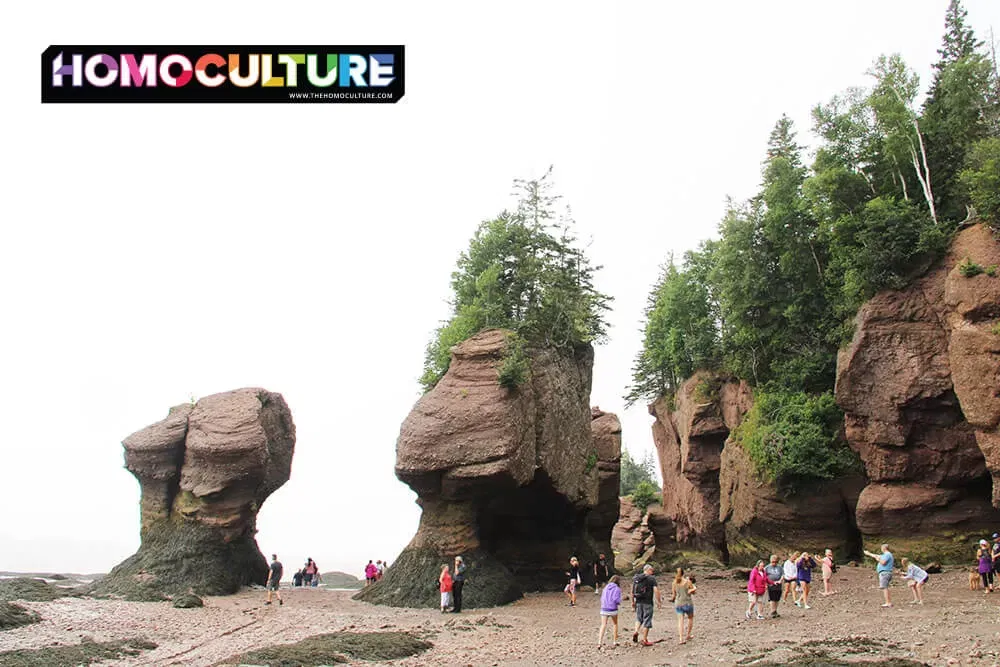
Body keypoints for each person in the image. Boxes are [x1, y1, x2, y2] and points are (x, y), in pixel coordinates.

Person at [631, 563, 662, 647]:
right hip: (648, 602)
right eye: (651, 570)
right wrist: (659, 601)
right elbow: (656, 590)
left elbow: (632, 591)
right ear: (648, 570)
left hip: (638, 601)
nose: (652, 572)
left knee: (639, 618)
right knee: (647, 620)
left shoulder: (637, 578)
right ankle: (645, 639)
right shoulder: (651, 579)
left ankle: (636, 631)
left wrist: (632, 602)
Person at [670, 568, 696, 644]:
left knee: (680, 621)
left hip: (678, 603)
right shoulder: (688, 582)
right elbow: (693, 592)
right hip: (688, 603)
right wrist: (693, 589)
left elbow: (674, 595)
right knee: (690, 618)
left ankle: (681, 638)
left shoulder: (674, 583)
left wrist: (672, 599)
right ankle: (688, 635)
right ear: (683, 574)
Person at [597, 574, 622, 649]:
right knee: (615, 624)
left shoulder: (605, 588)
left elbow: (602, 598)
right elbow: (616, 599)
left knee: (603, 625)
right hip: (613, 609)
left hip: (604, 608)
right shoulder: (617, 589)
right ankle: (614, 641)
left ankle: (599, 642)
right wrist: (619, 602)